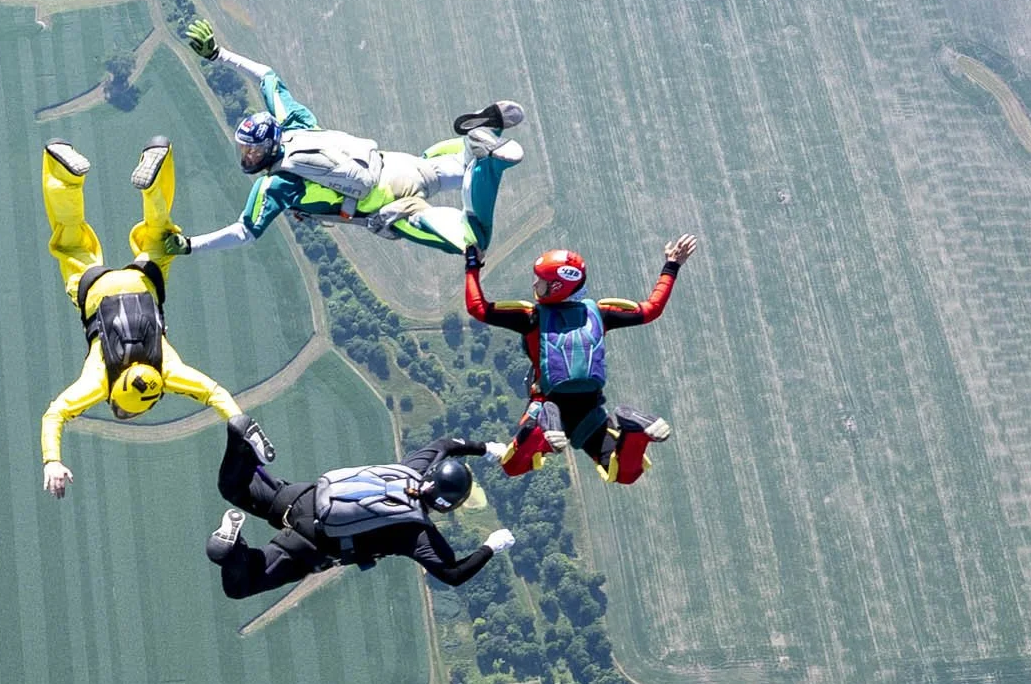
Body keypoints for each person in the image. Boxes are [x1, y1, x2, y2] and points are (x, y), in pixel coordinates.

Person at [179, 21, 526, 259]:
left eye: (252, 150)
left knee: (472, 240)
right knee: (447, 167)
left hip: (392, 205)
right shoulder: (296, 124)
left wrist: (189, 245)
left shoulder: (277, 185)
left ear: (268, 147)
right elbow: (267, 76)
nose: (247, 157)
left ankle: (488, 163)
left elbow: (244, 232)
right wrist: (219, 54)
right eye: (245, 148)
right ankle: (477, 143)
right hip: (399, 164)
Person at [38, 137, 241, 501]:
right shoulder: (100, 379)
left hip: (142, 282)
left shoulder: (167, 371)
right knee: (71, 242)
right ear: (115, 398)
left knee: (160, 238)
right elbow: (55, 414)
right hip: (94, 288)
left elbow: (215, 393)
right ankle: (64, 175)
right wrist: (51, 460)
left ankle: (156, 172)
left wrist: (239, 421)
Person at [465, 234, 695, 485]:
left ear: (556, 288)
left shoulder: (531, 317)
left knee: (513, 465)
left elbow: (477, 306)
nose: (535, 284)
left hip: (547, 401)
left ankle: (543, 426)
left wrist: (472, 265)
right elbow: (652, 309)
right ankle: (635, 433)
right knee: (624, 474)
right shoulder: (600, 313)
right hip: (589, 410)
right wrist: (671, 266)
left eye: (541, 281)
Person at [206, 414, 514, 599]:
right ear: (446, 506)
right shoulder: (417, 533)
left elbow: (447, 444)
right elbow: (453, 574)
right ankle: (231, 551)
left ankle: (242, 445)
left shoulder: (413, 469)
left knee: (233, 487)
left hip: (302, 498)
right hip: (311, 543)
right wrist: (491, 546)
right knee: (242, 585)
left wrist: (488, 449)